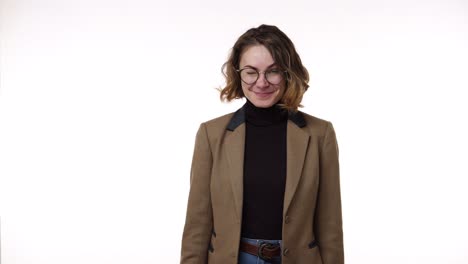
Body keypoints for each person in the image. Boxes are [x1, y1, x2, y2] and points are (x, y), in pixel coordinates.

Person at [180, 24, 344, 264]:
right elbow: (197, 226)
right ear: (238, 74)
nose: (261, 82)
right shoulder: (211, 135)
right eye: (251, 71)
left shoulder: (321, 134)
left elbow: (330, 227)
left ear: (288, 73)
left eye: (273, 71)